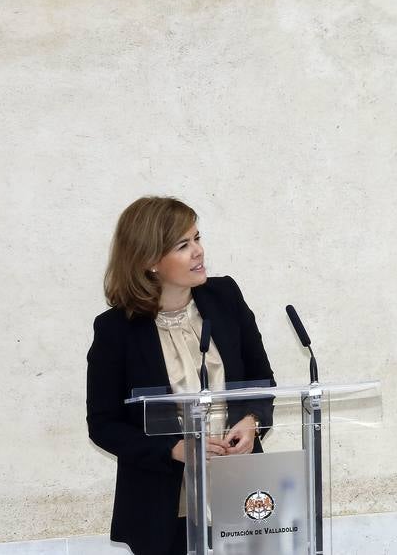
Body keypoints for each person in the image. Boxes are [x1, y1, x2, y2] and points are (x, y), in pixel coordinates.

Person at [86, 197, 275, 555]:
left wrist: (252, 421)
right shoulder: (116, 330)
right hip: (162, 502)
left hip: (241, 489)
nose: (198, 251)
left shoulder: (225, 298)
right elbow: (103, 424)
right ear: (149, 261)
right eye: (183, 245)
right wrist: (173, 449)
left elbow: (261, 381)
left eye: (197, 238)